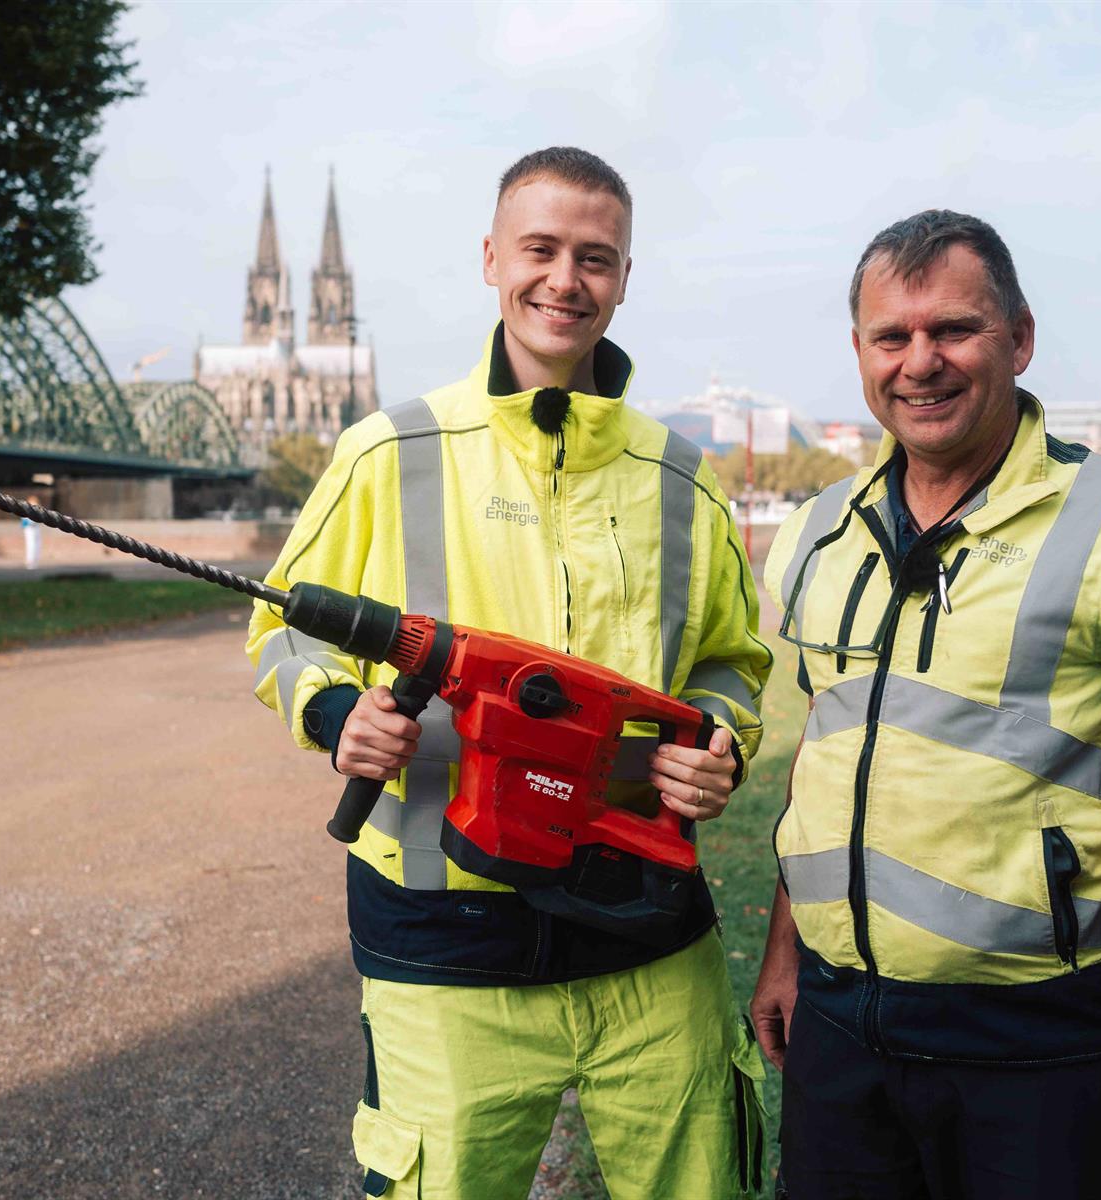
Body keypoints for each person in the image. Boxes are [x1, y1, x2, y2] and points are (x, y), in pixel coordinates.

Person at [247, 147, 775, 1198]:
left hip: (649, 945)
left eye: (596, 258)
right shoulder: (384, 453)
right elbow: (284, 632)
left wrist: (716, 740)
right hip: (446, 946)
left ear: (625, 278)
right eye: (540, 250)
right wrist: (335, 711)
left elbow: (731, 661)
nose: (564, 280)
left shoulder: (682, 480)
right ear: (492, 258)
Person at [753, 210, 1101, 1200]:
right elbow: (829, 754)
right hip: (842, 1035)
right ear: (860, 352)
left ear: (1018, 338)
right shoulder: (818, 533)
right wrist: (785, 957)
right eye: (893, 337)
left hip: (1040, 1044)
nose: (920, 362)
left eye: (954, 330)